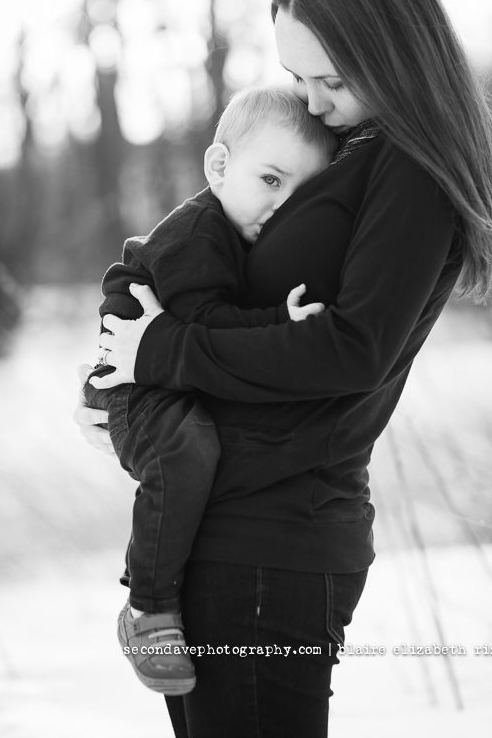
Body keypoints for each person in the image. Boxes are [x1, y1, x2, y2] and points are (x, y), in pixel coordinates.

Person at [75, 0, 492, 738]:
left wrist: (160, 353)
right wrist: (116, 378)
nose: (310, 102)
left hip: (273, 539)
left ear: (397, 56)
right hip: (236, 533)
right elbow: (214, 283)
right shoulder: (354, 145)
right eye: (297, 77)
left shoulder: (408, 168)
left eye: (332, 79)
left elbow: (351, 348)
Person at [84, 87, 337, 694]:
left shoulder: (236, 228)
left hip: (159, 368)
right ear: (219, 167)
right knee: (186, 448)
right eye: (270, 180)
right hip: (134, 382)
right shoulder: (197, 237)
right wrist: (280, 321)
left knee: (203, 440)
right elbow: (203, 332)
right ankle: (148, 609)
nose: (282, 207)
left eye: (299, 195)